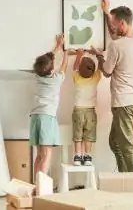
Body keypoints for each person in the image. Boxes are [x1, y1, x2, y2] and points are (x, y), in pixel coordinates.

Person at [88, 0, 133, 172]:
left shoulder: (116, 46)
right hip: (132, 99)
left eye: (114, 24)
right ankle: (124, 177)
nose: (112, 28)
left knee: (126, 144)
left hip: (122, 101)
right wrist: (106, 13)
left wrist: (98, 55)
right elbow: (117, 38)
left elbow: (106, 72)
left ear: (122, 23)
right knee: (115, 142)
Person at [29, 34, 73, 176]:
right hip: (47, 118)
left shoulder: (36, 76)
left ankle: (36, 184)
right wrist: (65, 52)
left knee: (39, 155)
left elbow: (47, 61)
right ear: (52, 69)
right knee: (47, 154)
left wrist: (57, 46)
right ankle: (41, 188)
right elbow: (64, 67)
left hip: (35, 117)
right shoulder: (55, 80)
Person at [71, 49, 101, 166]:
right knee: (89, 134)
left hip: (78, 110)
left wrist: (79, 55)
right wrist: (98, 54)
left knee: (77, 134)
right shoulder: (95, 78)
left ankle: (78, 156)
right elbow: (100, 69)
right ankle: (87, 157)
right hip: (90, 111)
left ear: (80, 69)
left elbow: (74, 67)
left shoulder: (77, 78)